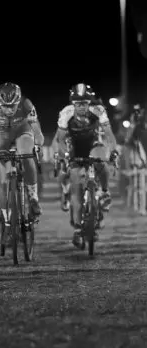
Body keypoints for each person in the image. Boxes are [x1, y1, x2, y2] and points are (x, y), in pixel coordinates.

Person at [0, 82, 44, 243]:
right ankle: (6, 219)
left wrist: (38, 146)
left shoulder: (26, 103)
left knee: (27, 154)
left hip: (22, 130)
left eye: (13, 105)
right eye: (5, 106)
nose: (9, 109)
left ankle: (33, 197)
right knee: (3, 181)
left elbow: (37, 130)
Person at [54, 83, 118, 247]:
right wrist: (64, 155)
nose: (81, 107)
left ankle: (104, 191)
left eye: (84, 103)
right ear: (72, 104)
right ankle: (77, 228)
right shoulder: (66, 113)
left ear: (90, 103)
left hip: (93, 144)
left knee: (102, 162)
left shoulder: (98, 111)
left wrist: (113, 151)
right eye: (77, 103)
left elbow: (109, 136)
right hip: (75, 146)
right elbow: (60, 140)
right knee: (76, 185)